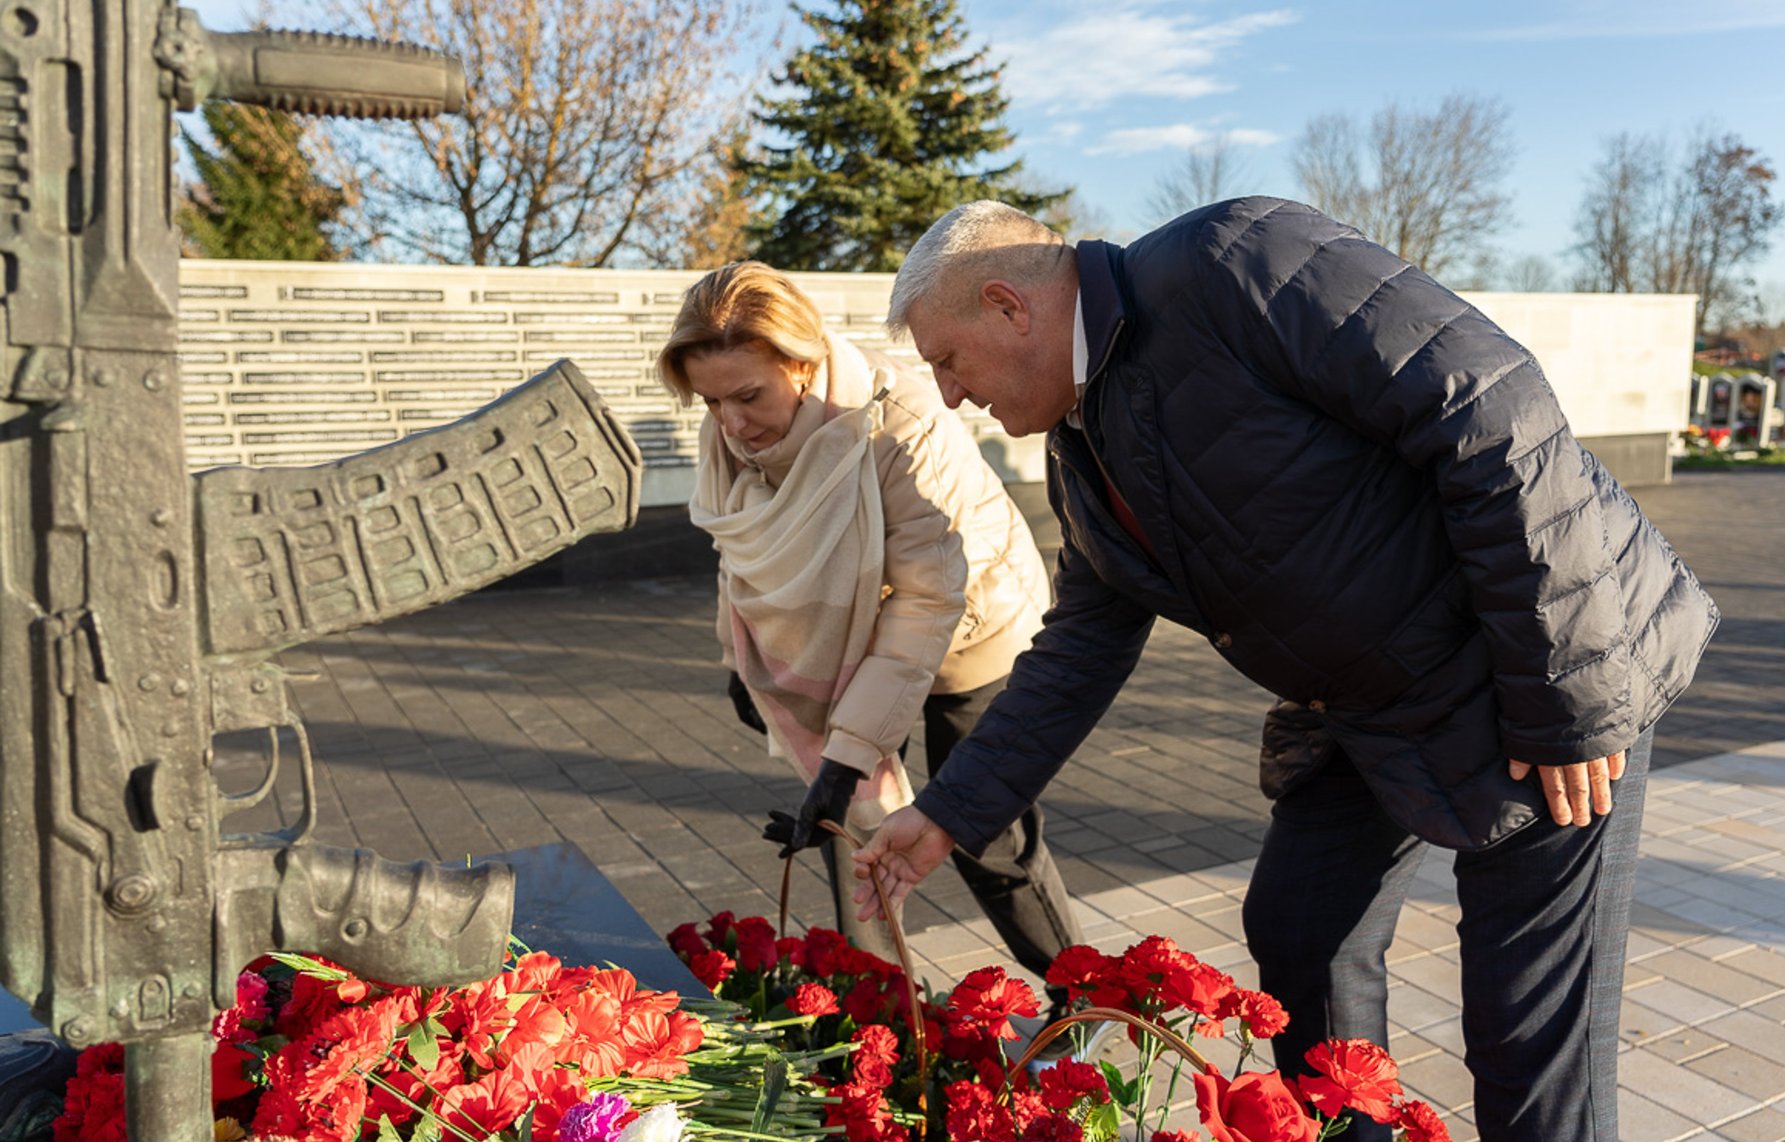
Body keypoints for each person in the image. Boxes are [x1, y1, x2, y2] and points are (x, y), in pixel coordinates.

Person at [852, 199, 1718, 1141]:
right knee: (1304, 932)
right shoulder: (1083, 446)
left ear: (1007, 307)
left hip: (1539, 662)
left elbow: (1490, 404)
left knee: (1526, 1037)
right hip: (1367, 705)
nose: (945, 394)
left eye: (947, 360)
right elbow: (1079, 649)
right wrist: (947, 812)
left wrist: (1569, 700)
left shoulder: (1232, 263)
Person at [655, 261, 1083, 994]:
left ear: (804, 360)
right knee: (846, 826)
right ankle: (879, 1009)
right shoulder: (733, 435)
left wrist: (848, 752)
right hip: (854, 639)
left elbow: (924, 602)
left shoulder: (897, 422)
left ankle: (1084, 999)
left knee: (986, 832)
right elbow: (743, 557)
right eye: (711, 401)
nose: (731, 424)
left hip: (970, 627)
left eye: (749, 395)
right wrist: (742, 657)